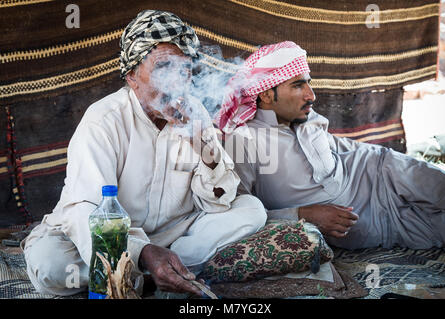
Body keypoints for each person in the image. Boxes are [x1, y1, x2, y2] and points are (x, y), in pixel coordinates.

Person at [21, 10, 266, 297]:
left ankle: (159, 268)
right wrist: (143, 252)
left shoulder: (194, 112)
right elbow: (89, 208)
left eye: (184, 70)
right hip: (111, 236)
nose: (177, 82)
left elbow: (218, 201)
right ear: (132, 76)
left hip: (175, 234)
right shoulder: (104, 120)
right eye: (164, 69)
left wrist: (203, 146)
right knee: (53, 265)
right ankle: (155, 270)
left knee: (251, 210)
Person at [216, 41, 445, 252]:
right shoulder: (243, 142)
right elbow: (239, 216)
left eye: (309, 83)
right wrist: (301, 216)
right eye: (298, 85)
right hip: (372, 222)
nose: (311, 95)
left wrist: (386, 161)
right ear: (266, 95)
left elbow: (339, 147)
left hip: (385, 172)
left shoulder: (306, 116)